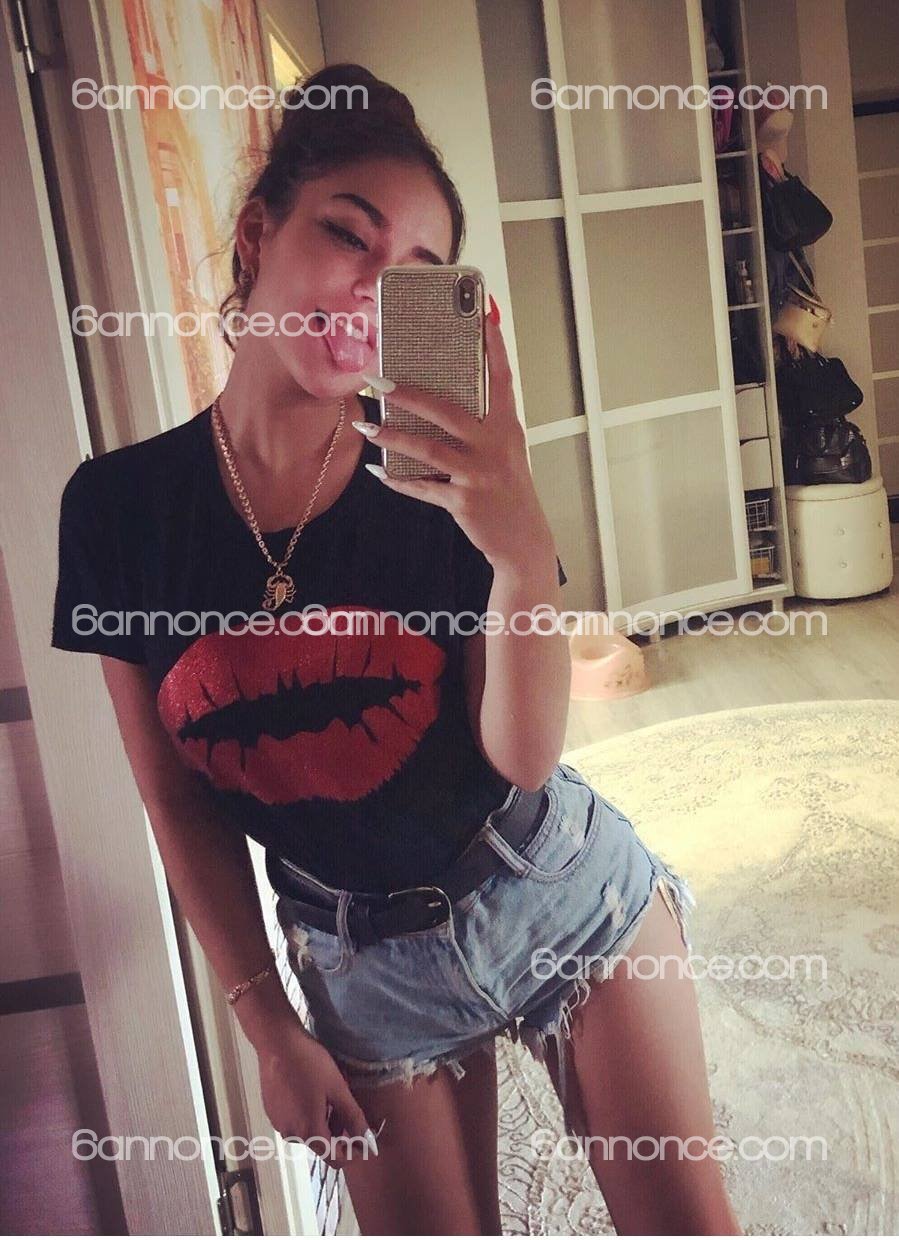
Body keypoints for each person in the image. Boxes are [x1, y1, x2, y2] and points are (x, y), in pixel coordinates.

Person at [52, 63, 741, 1236]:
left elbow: (521, 755)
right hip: (356, 965)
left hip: (551, 888)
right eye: (347, 236)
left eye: (416, 274)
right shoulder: (119, 513)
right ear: (257, 235)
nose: (375, 291)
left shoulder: (439, 482)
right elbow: (176, 799)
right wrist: (268, 1026)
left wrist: (518, 547)